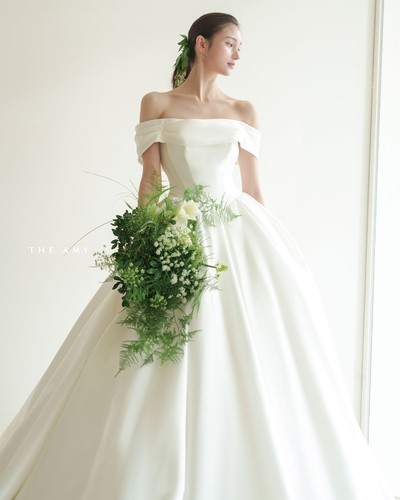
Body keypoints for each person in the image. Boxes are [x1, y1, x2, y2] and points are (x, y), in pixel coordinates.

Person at [0, 11, 395, 500]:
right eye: (230, 43)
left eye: (241, 46)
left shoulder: (244, 110)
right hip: (175, 230)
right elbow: (151, 181)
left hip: (235, 235)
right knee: (149, 343)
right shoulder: (157, 103)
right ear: (201, 44)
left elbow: (253, 189)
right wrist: (144, 243)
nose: (237, 54)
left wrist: (275, 251)